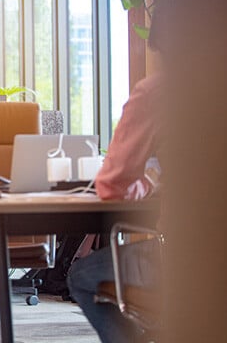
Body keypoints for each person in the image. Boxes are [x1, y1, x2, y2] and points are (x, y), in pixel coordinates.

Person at [66, 70, 163, 342]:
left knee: (80, 276)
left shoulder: (158, 90)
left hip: (181, 258)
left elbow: (112, 185)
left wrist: (144, 178)